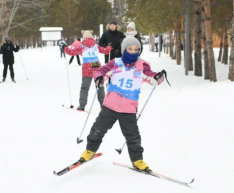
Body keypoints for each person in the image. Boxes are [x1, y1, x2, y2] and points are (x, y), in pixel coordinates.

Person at [79, 36, 166, 171]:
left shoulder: (141, 66)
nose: (133, 52)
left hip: (128, 108)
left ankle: (137, 161)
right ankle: (89, 151)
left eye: (136, 49)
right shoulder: (116, 63)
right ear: (124, 49)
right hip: (110, 106)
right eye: (130, 49)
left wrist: (158, 77)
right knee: (97, 130)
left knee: (133, 137)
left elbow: (151, 76)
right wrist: (99, 78)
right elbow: (100, 71)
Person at [60, 30, 111, 110]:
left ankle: (82, 105)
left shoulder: (81, 46)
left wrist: (64, 47)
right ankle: (103, 105)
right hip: (97, 67)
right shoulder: (96, 46)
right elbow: (106, 51)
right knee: (100, 86)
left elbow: (70, 52)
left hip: (87, 68)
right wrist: (110, 46)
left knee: (84, 88)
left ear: (83, 37)